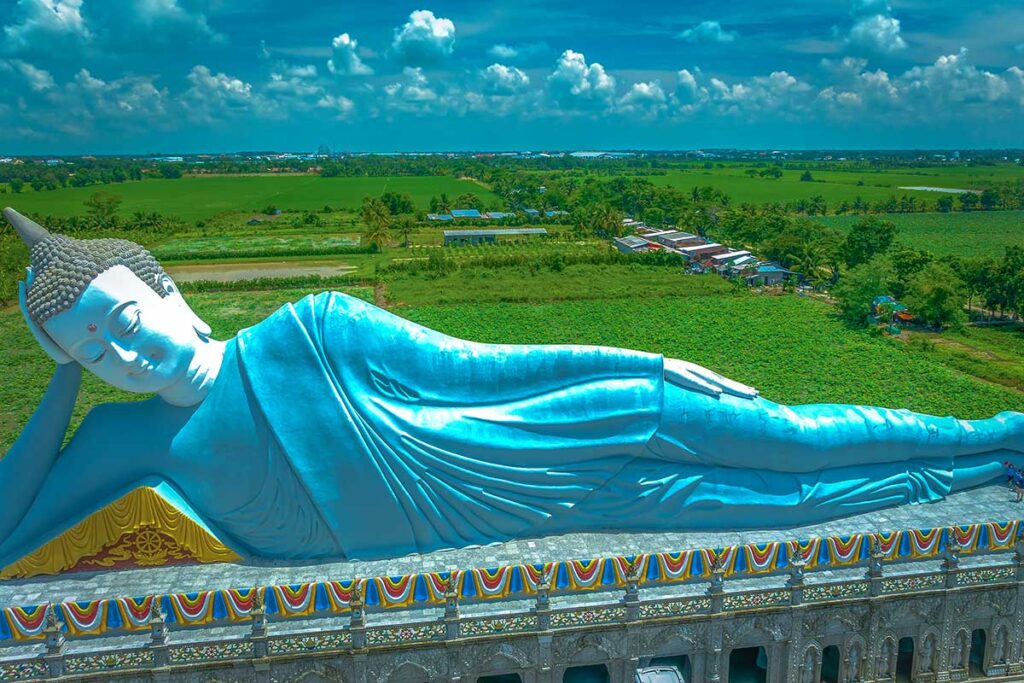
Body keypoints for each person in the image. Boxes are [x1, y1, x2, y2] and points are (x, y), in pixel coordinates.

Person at [1, 208, 1022, 565]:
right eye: (93, 352)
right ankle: (983, 463)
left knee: (794, 440)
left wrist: (647, 363)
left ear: (172, 294)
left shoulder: (311, 327)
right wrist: (58, 386)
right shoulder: (133, 445)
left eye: (125, 321)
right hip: (557, 508)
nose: (124, 355)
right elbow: (7, 534)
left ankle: (995, 424)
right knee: (787, 503)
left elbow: (483, 368)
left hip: (554, 427)